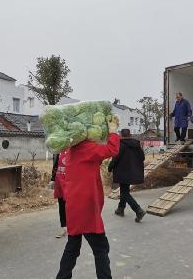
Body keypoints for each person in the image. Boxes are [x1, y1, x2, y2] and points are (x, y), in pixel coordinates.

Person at [56, 116, 120, 279]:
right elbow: (112, 150)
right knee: (101, 248)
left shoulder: (70, 150)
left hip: (74, 207)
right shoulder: (87, 148)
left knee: (73, 247)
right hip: (86, 208)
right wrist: (112, 131)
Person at [108, 129, 146, 222]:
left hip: (123, 171)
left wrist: (110, 167)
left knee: (125, 192)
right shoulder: (137, 145)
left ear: (121, 135)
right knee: (124, 190)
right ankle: (120, 209)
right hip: (133, 171)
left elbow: (116, 158)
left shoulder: (121, 144)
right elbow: (142, 157)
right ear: (130, 134)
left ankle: (138, 210)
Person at [50, 151, 69, 238]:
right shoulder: (58, 149)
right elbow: (55, 164)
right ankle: (64, 227)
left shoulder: (74, 146)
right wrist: (53, 179)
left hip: (71, 181)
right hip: (60, 180)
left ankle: (73, 226)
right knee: (61, 204)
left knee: (71, 204)